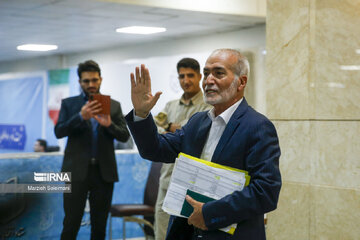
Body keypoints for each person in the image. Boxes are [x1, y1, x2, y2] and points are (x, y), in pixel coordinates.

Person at [125, 49, 281, 239]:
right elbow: (155, 149)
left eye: (219, 73)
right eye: (206, 73)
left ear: (241, 82)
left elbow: (265, 192)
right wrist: (141, 115)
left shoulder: (258, 126)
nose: (208, 80)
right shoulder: (198, 121)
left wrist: (208, 213)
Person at [54, 60, 130, 240]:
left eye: (94, 80)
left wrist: (109, 125)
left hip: (103, 173)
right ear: (80, 82)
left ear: (101, 80)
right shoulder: (69, 104)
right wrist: (80, 117)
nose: (91, 85)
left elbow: (124, 136)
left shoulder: (113, 106)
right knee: (71, 223)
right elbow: (59, 131)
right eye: (86, 81)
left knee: (99, 225)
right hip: (75, 172)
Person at [153, 58, 211, 240]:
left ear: (200, 77)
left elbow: (190, 133)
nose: (186, 80)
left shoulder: (207, 106)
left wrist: (169, 126)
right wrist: (173, 127)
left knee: (189, 231)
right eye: (182, 76)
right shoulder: (170, 106)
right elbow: (157, 132)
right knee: (161, 228)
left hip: (194, 181)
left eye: (190, 76)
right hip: (168, 177)